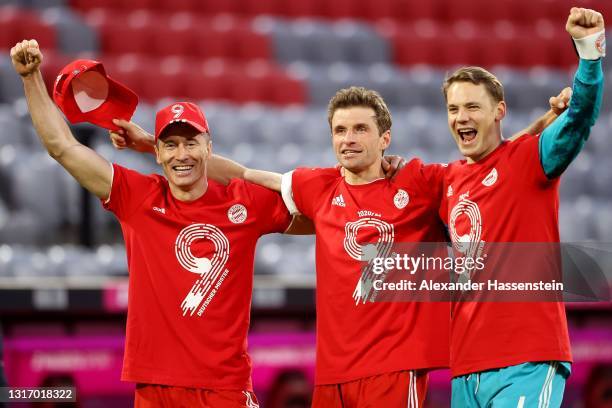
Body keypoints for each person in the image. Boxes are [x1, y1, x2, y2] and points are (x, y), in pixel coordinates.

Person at [112, 87, 568, 407]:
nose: (348, 139)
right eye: (341, 130)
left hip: (396, 368)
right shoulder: (316, 185)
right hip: (332, 376)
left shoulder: (420, 181)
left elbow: (492, 165)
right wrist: (157, 146)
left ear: (384, 138)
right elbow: (244, 173)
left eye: (360, 130)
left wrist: (548, 122)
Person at [10, 40, 304, 407]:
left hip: (225, 389)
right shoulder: (138, 198)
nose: (182, 154)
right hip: (156, 390)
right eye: (170, 145)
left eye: (191, 142)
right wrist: (30, 76)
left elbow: (314, 216)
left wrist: (150, 143)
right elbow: (62, 146)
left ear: (209, 147)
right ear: (160, 154)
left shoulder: (245, 201)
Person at [439, 7, 604, 407]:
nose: (461, 117)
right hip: (465, 367)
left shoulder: (532, 158)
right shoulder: (446, 181)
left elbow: (580, 118)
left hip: (527, 358)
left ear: (499, 111)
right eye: (453, 109)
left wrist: (588, 53)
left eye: (472, 107)